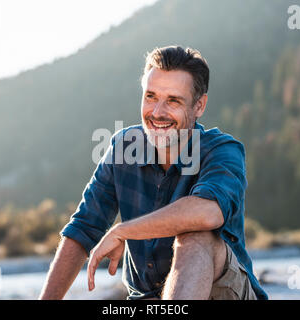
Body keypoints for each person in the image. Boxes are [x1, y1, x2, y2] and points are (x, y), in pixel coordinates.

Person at [39, 45, 268, 300]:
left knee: (195, 236)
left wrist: (123, 231)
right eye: (151, 96)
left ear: (199, 106)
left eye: (173, 100)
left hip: (225, 294)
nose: (157, 113)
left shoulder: (222, 151)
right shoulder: (123, 147)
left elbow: (207, 213)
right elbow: (83, 228)